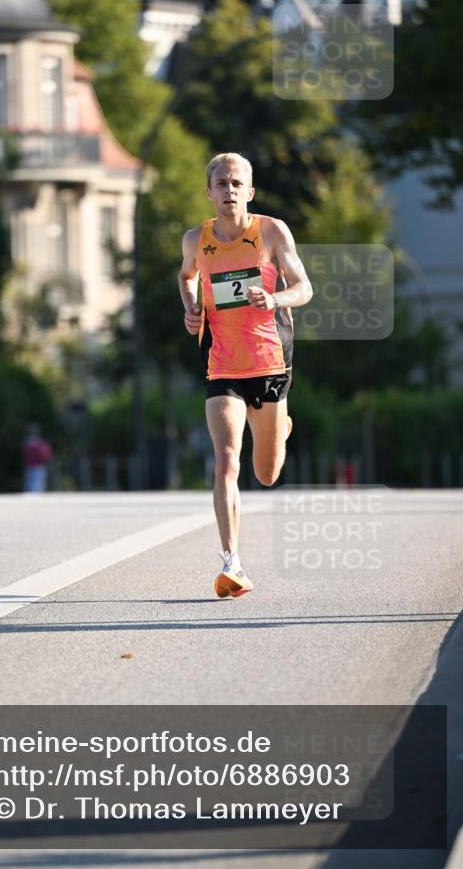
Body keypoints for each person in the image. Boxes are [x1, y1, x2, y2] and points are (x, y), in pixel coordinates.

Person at [178, 152, 313, 598]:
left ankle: (281, 424)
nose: (229, 190)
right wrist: (192, 309)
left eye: (237, 183)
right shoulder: (195, 239)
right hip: (223, 365)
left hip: (271, 361)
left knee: (268, 473)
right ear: (209, 192)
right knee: (226, 460)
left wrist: (274, 300)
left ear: (249, 192)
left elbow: (304, 288)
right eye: (221, 183)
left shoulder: (271, 232)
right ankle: (232, 562)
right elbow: (187, 277)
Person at [22, 424, 53, 492]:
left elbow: (45, 454)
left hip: (37, 466)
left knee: (35, 484)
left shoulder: (34, 443)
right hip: (34, 466)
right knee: (34, 484)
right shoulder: (38, 443)